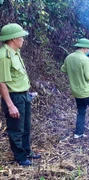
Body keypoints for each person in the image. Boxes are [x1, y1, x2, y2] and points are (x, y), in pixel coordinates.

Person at [0, 23, 41, 166]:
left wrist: (27, 92)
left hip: (24, 95)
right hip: (14, 97)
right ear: (13, 39)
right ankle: (20, 157)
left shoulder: (16, 52)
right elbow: (2, 83)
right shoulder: (3, 56)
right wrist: (10, 105)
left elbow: (18, 77)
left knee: (25, 127)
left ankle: (27, 151)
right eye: (21, 37)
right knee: (16, 129)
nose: (23, 39)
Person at [61, 38, 89, 138]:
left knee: (81, 111)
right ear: (84, 48)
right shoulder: (85, 59)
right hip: (86, 91)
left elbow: (63, 69)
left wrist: (73, 72)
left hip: (75, 91)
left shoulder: (69, 57)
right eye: (88, 49)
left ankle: (78, 133)